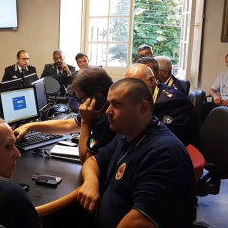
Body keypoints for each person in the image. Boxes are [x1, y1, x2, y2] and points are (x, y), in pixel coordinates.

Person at [77, 78, 195, 227]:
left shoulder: (163, 154)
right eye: (108, 104)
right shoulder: (126, 135)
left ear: (143, 108)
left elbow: (139, 222)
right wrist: (90, 182)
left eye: (116, 104)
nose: (108, 111)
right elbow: (92, 162)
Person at [15, 67, 117, 164]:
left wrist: (85, 122)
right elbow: (67, 125)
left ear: (98, 96)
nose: (79, 105)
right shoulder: (99, 109)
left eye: (81, 100)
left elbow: (85, 161)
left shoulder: (107, 119)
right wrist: (30, 126)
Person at [125, 64, 199, 147]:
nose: (128, 90)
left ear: (151, 81)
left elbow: (161, 138)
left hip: (174, 151)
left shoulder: (174, 102)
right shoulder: (145, 95)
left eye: (134, 84)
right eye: (126, 84)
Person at [202, 54, 228, 121]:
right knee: (200, 107)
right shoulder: (222, 75)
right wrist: (215, 96)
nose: (227, 64)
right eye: (227, 62)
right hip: (220, 103)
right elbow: (211, 90)